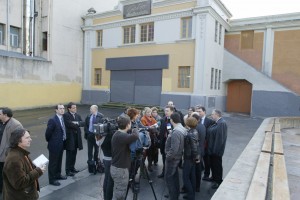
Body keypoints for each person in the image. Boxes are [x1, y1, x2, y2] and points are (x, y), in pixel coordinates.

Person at [3, 128, 46, 200]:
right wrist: (38, 171)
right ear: (18, 141)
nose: (30, 139)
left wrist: (35, 167)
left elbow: (24, 170)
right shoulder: (14, 159)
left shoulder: (20, 153)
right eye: (27, 138)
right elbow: (20, 183)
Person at [110, 115, 139, 200]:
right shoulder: (121, 136)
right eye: (130, 124)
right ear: (127, 125)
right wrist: (135, 129)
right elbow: (135, 136)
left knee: (118, 191)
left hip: (117, 168)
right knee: (120, 195)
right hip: (120, 170)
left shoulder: (118, 134)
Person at [0, 107, 23, 193]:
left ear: (5, 115)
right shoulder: (1, 122)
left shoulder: (16, 125)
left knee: (9, 175)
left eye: (0, 114)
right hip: (0, 154)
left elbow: (17, 143)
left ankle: (10, 192)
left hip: (7, 155)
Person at [45, 104, 67, 186]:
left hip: (61, 143)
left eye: (63, 108)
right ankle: (52, 179)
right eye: (60, 108)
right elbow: (48, 133)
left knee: (59, 161)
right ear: (56, 110)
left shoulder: (63, 118)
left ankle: (58, 175)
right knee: (53, 163)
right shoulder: (53, 120)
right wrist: (51, 141)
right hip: (54, 145)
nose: (62, 110)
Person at [165, 112, 185, 200]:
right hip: (177, 158)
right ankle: (175, 195)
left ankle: (173, 197)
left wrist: (167, 157)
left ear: (172, 120)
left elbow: (174, 149)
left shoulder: (176, 131)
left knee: (169, 178)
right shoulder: (181, 128)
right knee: (174, 177)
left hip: (173, 159)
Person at [207, 109, 227, 189]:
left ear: (217, 115)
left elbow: (220, 139)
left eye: (212, 114)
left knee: (217, 166)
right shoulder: (218, 122)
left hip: (216, 151)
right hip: (212, 150)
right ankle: (214, 177)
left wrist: (215, 151)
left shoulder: (222, 123)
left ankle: (218, 181)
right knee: (213, 165)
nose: (211, 116)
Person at [63, 102, 85, 176]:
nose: (75, 109)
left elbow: (82, 123)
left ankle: (72, 168)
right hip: (70, 138)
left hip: (77, 138)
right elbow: (69, 124)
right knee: (69, 155)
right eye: (73, 108)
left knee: (74, 154)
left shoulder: (77, 115)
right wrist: (77, 124)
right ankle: (68, 170)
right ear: (69, 108)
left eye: (75, 107)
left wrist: (76, 123)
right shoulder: (66, 115)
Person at [182, 117, 200, 200]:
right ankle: (191, 195)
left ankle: (191, 196)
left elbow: (194, 148)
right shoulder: (194, 131)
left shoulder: (190, 134)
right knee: (191, 177)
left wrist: (194, 158)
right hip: (192, 158)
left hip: (189, 158)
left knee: (185, 177)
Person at [195, 106, 215, 181]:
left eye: (200, 111)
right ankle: (200, 170)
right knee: (199, 159)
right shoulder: (195, 120)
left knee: (207, 160)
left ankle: (206, 174)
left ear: (204, 112)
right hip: (198, 144)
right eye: (197, 111)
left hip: (206, 144)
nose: (198, 113)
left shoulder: (210, 121)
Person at [84, 105, 104, 173]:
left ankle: (96, 162)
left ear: (95, 109)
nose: (90, 110)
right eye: (90, 108)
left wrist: (99, 135)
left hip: (97, 136)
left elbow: (102, 126)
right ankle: (90, 163)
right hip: (90, 135)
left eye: (91, 109)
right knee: (89, 150)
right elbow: (86, 125)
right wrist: (87, 132)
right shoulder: (89, 116)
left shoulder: (101, 116)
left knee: (96, 150)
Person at [157, 105, 174, 178]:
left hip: (170, 144)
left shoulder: (174, 120)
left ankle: (169, 174)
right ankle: (164, 172)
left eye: (167, 111)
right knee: (164, 157)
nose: (166, 112)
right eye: (165, 111)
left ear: (172, 111)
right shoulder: (163, 119)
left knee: (170, 160)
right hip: (163, 142)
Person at [191, 112, 206, 192]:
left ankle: (196, 186)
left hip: (197, 152)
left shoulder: (196, 127)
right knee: (198, 170)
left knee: (196, 170)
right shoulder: (202, 126)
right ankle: (197, 186)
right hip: (201, 150)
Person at [140, 107, 158, 172]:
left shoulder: (151, 119)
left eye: (150, 112)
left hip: (151, 138)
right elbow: (144, 128)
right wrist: (151, 127)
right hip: (145, 139)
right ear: (145, 113)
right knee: (144, 155)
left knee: (150, 154)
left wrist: (152, 127)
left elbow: (156, 125)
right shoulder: (143, 119)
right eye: (148, 112)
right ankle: (142, 170)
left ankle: (149, 166)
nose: (149, 113)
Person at [100, 132, 114, 200]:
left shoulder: (101, 135)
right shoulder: (108, 137)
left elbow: (98, 143)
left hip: (105, 158)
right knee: (110, 181)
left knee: (106, 179)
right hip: (110, 159)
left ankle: (106, 197)